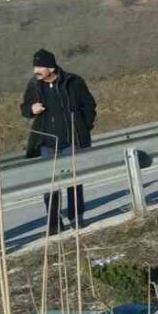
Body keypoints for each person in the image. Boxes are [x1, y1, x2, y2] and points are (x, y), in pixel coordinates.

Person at [20, 49, 96, 234]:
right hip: (46, 143)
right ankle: (54, 223)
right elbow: (24, 108)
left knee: (73, 181)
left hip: (70, 140)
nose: (35, 71)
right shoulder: (34, 85)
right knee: (50, 184)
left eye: (39, 67)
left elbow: (89, 105)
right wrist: (31, 109)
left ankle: (76, 218)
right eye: (34, 67)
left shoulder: (73, 82)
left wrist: (83, 127)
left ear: (51, 67)